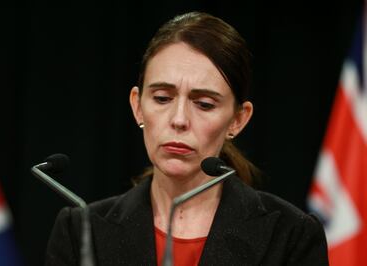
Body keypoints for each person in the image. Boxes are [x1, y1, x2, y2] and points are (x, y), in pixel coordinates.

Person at [45, 12, 328, 265]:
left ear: (238, 119)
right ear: (137, 105)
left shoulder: (291, 235)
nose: (179, 119)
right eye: (162, 98)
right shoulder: (81, 230)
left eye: (204, 104)